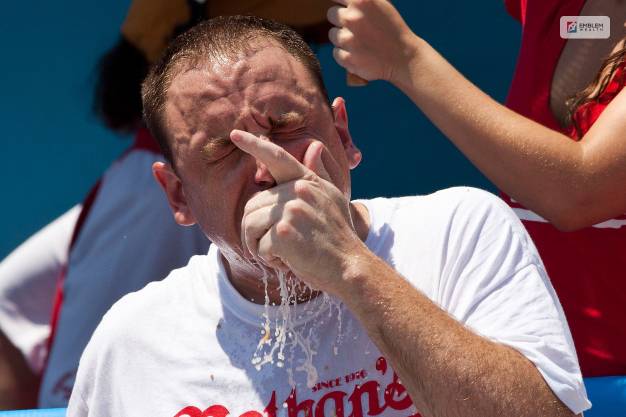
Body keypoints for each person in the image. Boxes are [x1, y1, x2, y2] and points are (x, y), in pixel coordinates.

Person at [68, 16, 589, 417]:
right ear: (178, 196)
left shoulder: (460, 231)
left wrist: (350, 267)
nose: (268, 170)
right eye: (225, 150)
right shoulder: (132, 341)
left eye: (287, 125)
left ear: (342, 134)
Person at [325, 0, 626, 381]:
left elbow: (578, 191)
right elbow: (589, 28)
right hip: (538, 379)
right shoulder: (564, 12)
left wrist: (404, 57)